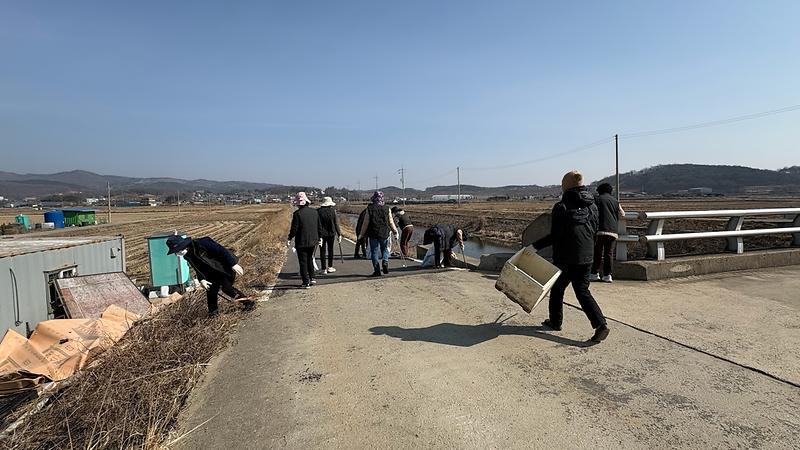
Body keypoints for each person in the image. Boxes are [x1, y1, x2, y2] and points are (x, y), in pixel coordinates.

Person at [533, 170, 610, 343]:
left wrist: (534, 246)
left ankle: (555, 322)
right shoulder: (593, 205)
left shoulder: (561, 207)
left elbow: (555, 236)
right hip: (587, 255)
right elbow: (594, 230)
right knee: (582, 291)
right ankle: (600, 324)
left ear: (565, 187)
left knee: (558, 288)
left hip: (565, 257)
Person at [166, 235, 254, 317]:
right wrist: (202, 279)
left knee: (226, 288)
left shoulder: (202, 243)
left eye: (177, 251)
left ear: (183, 246)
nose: (177, 254)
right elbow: (198, 268)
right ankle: (213, 313)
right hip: (212, 272)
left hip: (224, 267)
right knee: (211, 289)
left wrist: (233, 264)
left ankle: (248, 302)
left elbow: (222, 250)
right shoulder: (188, 255)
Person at [357, 191, 398, 276]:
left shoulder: (370, 208)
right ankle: (385, 261)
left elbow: (365, 223)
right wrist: (395, 232)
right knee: (385, 249)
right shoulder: (387, 208)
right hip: (384, 233)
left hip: (373, 233)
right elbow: (391, 222)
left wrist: (361, 234)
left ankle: (377, 270)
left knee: (374, 252)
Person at [591, 183, 625, 283]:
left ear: (599, 191)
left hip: (599, 230)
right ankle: (607, 275)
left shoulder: (596, 200)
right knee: (609, 254)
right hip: (612, 231)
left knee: (597, 253)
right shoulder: (615, 201)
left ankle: (594, 274)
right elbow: (622, 214)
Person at [287, 192, 321, 288]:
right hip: (313, 241)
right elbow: (319, 226)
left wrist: (289, 238)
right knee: (310, 259)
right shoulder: (315, 212)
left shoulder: (297, 214)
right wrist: (320, 237)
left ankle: (306, 282)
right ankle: (312, 277)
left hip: (301, 241)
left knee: (303, 262)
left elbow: (294, 229)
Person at [317, 196, 342, 273]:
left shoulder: (318, 211)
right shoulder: (333, 211)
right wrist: (339, 234)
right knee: (330, 250)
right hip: (331, 233)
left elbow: (317, 224)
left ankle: (323, 268)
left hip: (321, 234)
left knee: (322, 251)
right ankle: (330, 267)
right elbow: (336, 223)